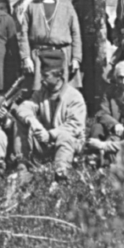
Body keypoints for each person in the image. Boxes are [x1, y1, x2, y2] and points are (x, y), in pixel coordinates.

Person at [11, 49, 86, 184]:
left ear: (59, 76)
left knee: (65, 137)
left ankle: (60, 176)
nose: (41, 80)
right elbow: (24, 107)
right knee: (21, 122)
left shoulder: (74, 97)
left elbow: (75, 126)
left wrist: (50, 134)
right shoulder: (41, 93)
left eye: (46, 76)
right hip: (46, 144)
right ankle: (22, 166)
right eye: (41, 75)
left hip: (69, 144)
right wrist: (32, 121)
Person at [17, 0, 83, 91]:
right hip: (39, 56)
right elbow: (23, 34)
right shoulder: (32, 6)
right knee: (39, 93)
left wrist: (76, 58)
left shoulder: (66, 5)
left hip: (62, 56)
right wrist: (26, 58)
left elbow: (76, 33)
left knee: (63, 93)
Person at [69, 0, 105, 114]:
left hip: (93, 43)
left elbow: (102, 19)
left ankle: (93, 106)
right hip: (78, 42)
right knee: (79, 76)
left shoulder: (96, 0)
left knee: (93, 76)